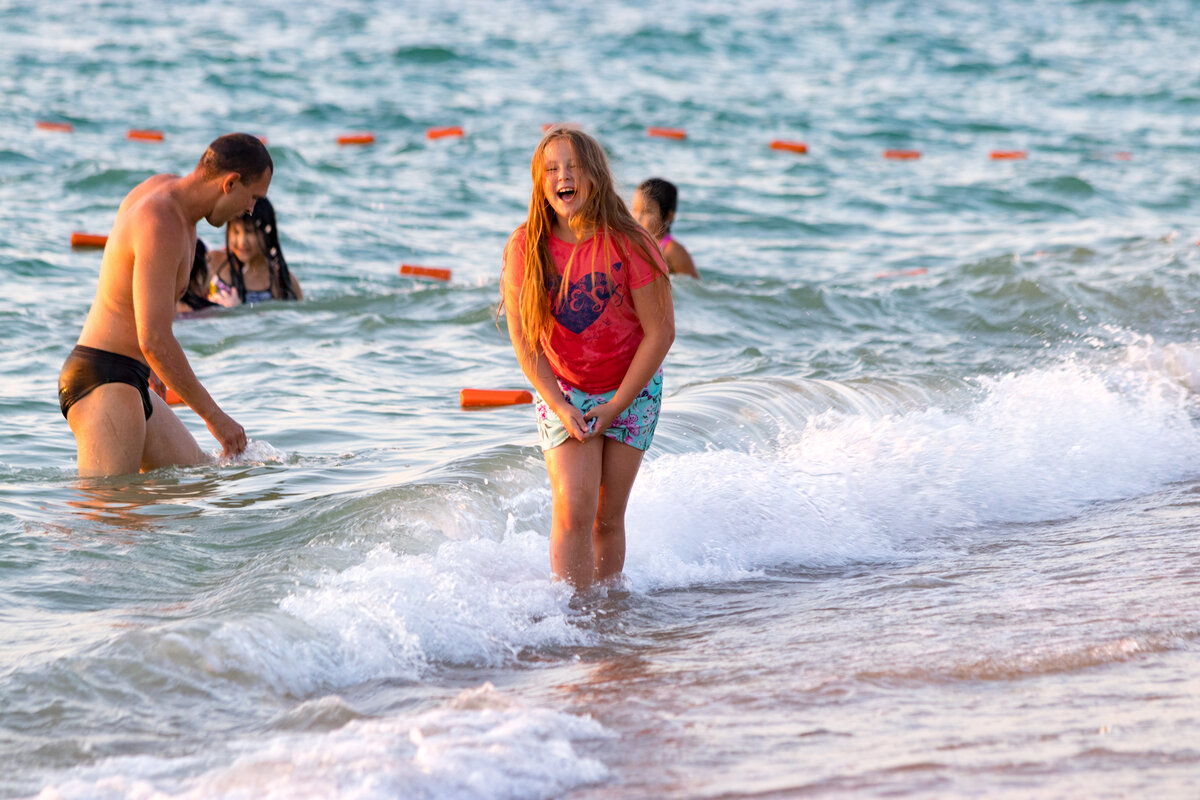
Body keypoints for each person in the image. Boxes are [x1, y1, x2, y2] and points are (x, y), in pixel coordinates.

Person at [502, 126, 675, 591]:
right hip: (565, 387)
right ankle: (572, 618)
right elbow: (524, 342)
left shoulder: (631, 243)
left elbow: (660, 333)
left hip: (631, 388)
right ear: (540, 183)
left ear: (596, 177)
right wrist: (561, 405)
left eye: (574, 167)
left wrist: (616, 405)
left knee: (606, 517)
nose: (563, 176)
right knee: (573, 510)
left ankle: (606, 615)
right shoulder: (526, 247)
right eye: (552, 169)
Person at [58, 132, 271, 477]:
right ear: (230, 183)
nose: (250, 210)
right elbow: (153, 338)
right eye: (253, 198)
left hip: (130, 379)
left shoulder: (176, 208)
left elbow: (138, 300)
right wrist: (215, 417)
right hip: (105, 380)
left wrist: (154, 370)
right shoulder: (161, 220)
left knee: (199, 482)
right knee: (102, 523)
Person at [207, 196, 301, 306]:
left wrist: (234, 311)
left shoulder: (281, 282)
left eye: (250, 231)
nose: (242, 241)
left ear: (267, 233)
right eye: (236, 232)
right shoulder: (213, 263)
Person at [632, 177, 700, 279]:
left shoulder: (673, 251)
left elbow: (694, 289)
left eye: (647, 212)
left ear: (669, 216)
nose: (638, 217)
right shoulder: (634, 244)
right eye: (635, 210)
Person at [176, 238, 218, 315]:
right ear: (200, 276)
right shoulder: (211, 309)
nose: (212, 269)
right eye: (208, 261)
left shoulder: (170, 306)